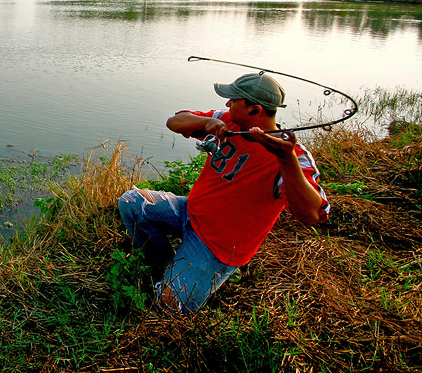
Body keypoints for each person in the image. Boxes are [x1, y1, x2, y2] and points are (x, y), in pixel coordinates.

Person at [117, 72, 330, 312]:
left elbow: (312, 214)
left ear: (254, 109)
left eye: (234, 99)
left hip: (218, 245)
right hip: (190, 212)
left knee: (170, 306)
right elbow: (174, 122)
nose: (227, 103)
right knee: (131, 201)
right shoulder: (229, 121)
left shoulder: (292, 157)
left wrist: (286, 159)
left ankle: (187, 273)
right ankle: (164, 264)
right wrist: (206, 123)